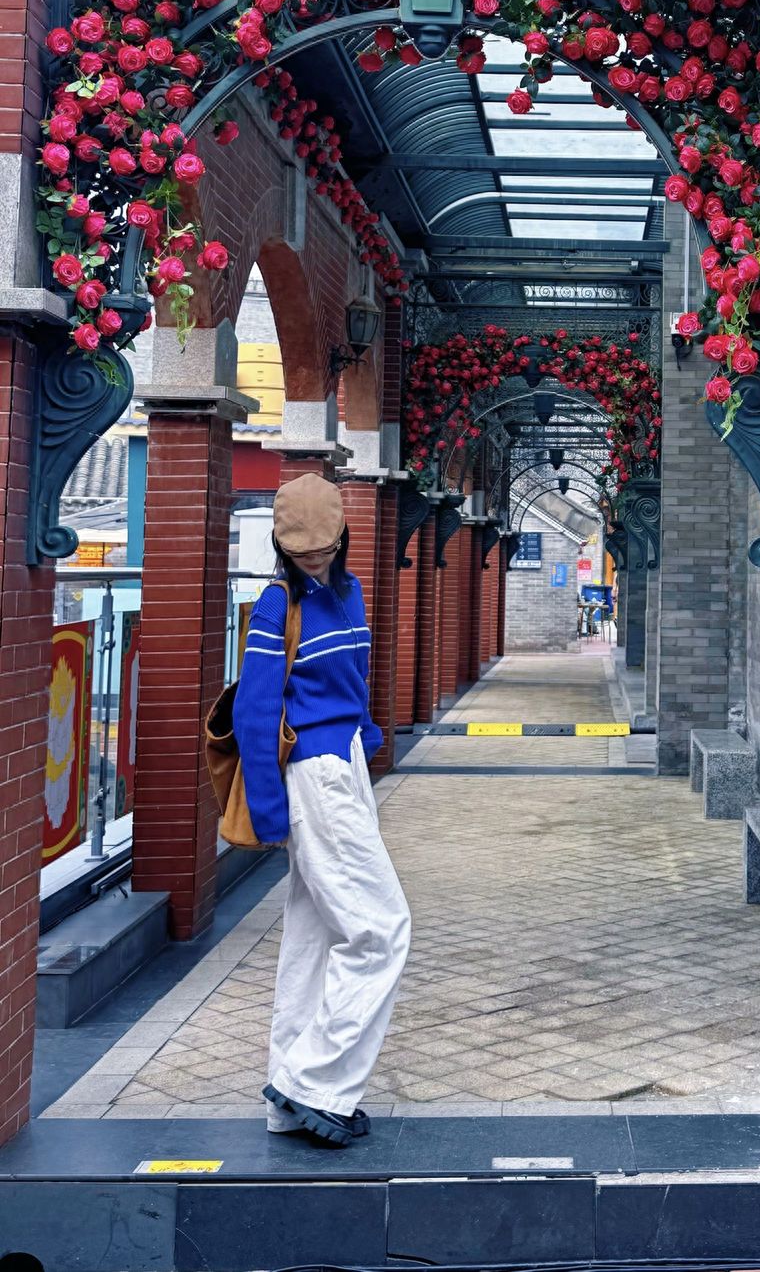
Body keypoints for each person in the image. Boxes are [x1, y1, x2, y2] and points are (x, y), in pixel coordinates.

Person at [233, 473, 411, 1148]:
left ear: (343, 537)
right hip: (311, 778)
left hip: (344, 771)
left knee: (312, 940)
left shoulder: (350, 593)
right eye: (299, 547)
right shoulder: (276, 605)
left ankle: (288, 1096)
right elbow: (255, 713)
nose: (313, 556)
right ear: (280, 544)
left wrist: (367, 732)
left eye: (323, 545)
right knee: (382, 930)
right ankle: (314, 1085)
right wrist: (269, 810)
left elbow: (357, 674)